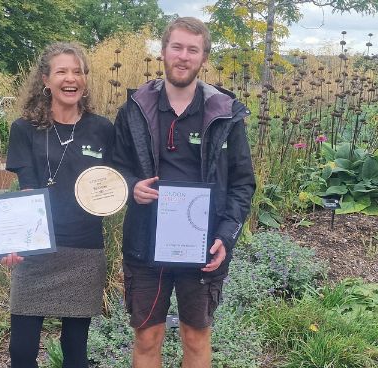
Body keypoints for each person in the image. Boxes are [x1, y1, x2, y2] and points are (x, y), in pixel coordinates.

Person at [112, 17, 256, 368]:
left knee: (196, 336)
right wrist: (132, 187)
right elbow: (116, 168)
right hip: (145, 243)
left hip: (202, 244)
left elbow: (243, 183)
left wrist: (226, 235)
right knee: (147, 337)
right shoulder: (133, 110)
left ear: (203, 57)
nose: (183, 56)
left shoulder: (225, 114)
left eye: (193, 49)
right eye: (176, 47)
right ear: (163, 52)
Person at [1, 42, 114, 368]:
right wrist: (14, 241)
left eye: (77, 71)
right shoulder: (24, 129)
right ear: (45, 80)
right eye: (62, 71)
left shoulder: (103, 129)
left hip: (85, 251)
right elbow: (28, 192)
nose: (71, 78)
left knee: (75, 351)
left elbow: (118, 183)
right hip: (37, 252)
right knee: (21, 352)